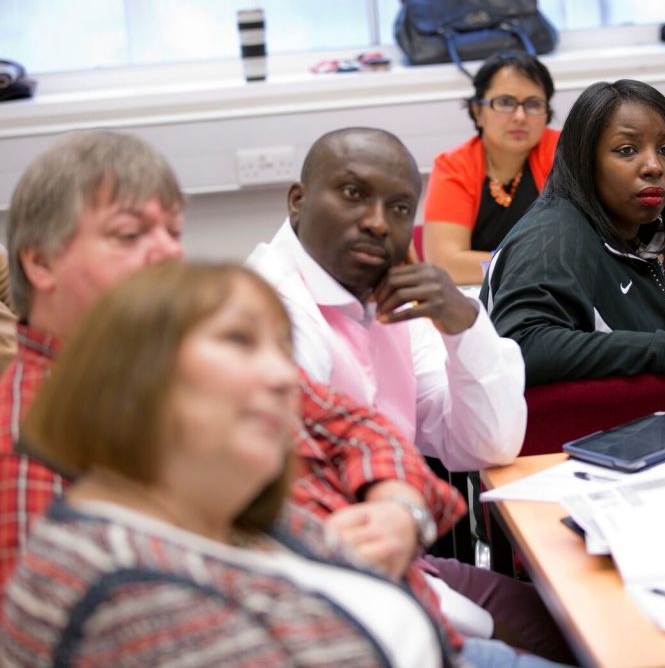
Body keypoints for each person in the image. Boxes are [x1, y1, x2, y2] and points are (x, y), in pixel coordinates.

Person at [1, 262, 457, 667]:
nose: (283, 377)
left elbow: (371, 430)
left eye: (282, 349)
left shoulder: (223, 508)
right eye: (239, 340)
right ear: (137, 373)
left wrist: (399, 506)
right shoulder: (127, 598)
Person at [248, 128, 575, 664]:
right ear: (298, 201)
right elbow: (307, 536)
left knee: (583, 620)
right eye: (353, 194)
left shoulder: (387, 290)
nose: (378, 221)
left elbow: (484, 445)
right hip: (331, 600)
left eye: (399, 206)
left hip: (408, 568)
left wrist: (463, 324)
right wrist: (479, 622)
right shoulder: (271, 312)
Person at [483, 79, 665, 422]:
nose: (654, 166)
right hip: (546, 452)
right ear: (586, 161)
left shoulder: (620, 229)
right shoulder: (555, 234)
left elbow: (651, 305)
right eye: (627, 150)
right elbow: (523, 344)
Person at [0, 130, 185, 586]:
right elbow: (43, 634)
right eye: (129, 234)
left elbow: (339, 418)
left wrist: (393, 500)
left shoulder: (167, 360)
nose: (170, 251)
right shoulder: (33, 442)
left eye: (174, 231)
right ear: (41, 263)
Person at [423, 50, 560, 284]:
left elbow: (584, 248)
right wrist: (535, 267)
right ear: (478, 111)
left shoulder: (564, 152)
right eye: (505, 102)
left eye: (533, 104)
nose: (520, 116)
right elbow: (444, 264)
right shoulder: (454, 166)